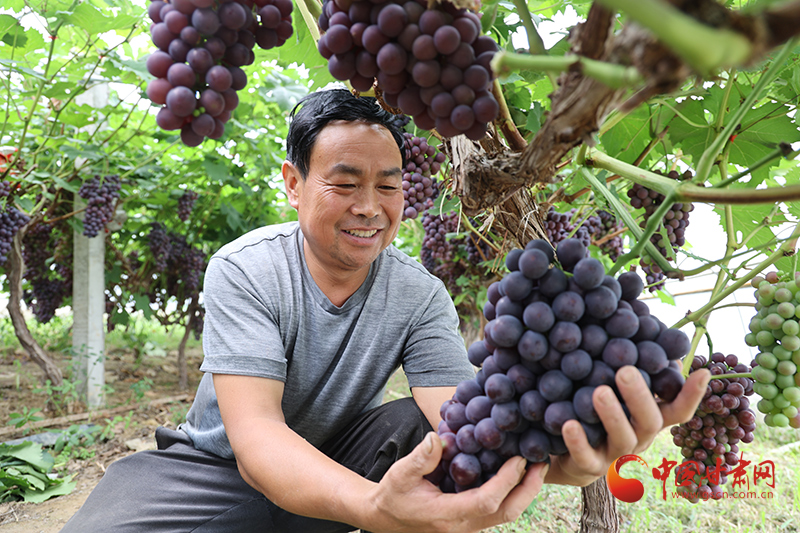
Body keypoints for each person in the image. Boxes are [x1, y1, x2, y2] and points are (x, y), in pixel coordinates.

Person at [60, 88, 709, 533]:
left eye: (389, 186)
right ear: (293, 183)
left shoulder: (418, 292)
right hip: (214, 470)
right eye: (344, 183)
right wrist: (373, 506)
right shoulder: (246, 267)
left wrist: (553, 454)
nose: (370, 207)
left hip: (343, 460)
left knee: (425, 432)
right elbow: (256, 439)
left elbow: (465, 417)